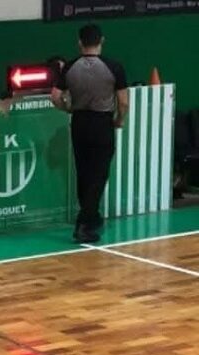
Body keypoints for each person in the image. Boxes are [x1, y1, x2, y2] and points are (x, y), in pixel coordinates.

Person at [50, 23, 129, 243]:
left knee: (83, 172)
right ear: (101, 41)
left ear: (79, 43)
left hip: (79, 122)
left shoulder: (70, 67)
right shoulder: (114, 67)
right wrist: (119, 121)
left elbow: (55, 96)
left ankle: (92, 217)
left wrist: (67, 108)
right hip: (102, 123)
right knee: (99, 174)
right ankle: (83, 224)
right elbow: (123, 102)